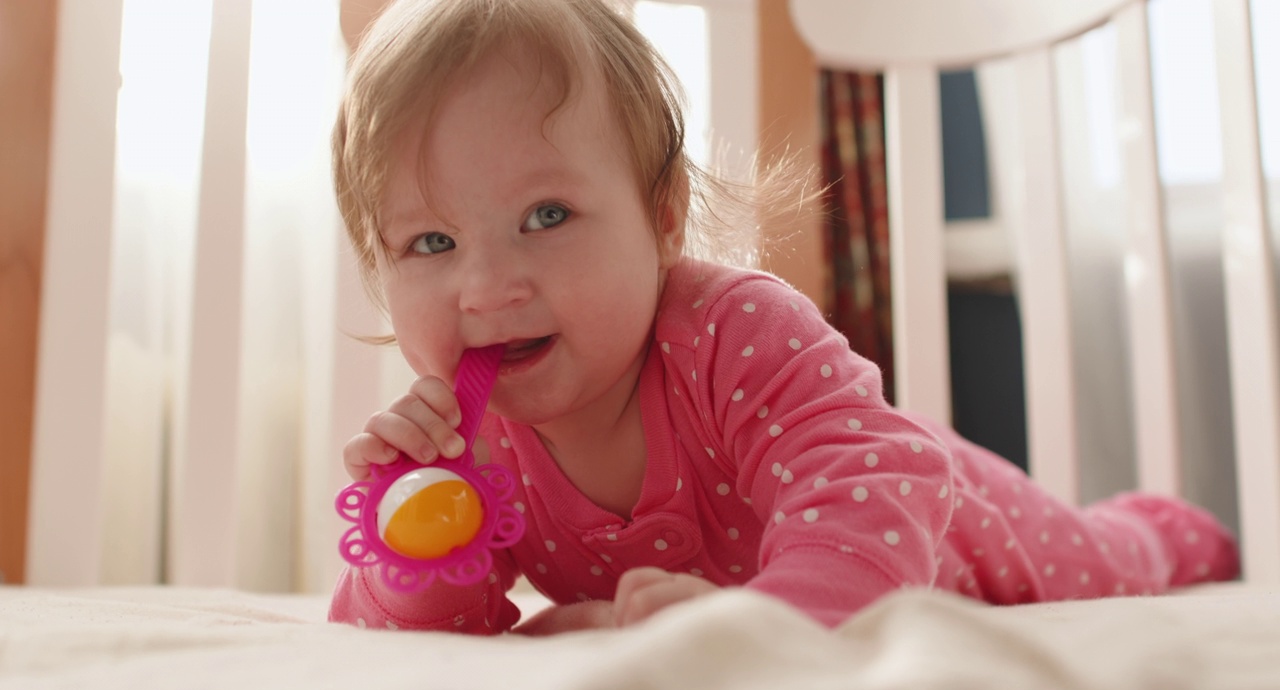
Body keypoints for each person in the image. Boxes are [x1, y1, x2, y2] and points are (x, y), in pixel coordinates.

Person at [328, 0, 1238, 635]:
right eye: (432, 243)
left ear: (662, 215)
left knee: (1099, 565)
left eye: (547, 217)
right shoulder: (471, 438)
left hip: (954, 519)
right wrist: (419, 535)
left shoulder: (732, 332)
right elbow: (422, 632)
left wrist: (767, 622)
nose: (486, 288)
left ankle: (1167, 529)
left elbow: (881, 481)